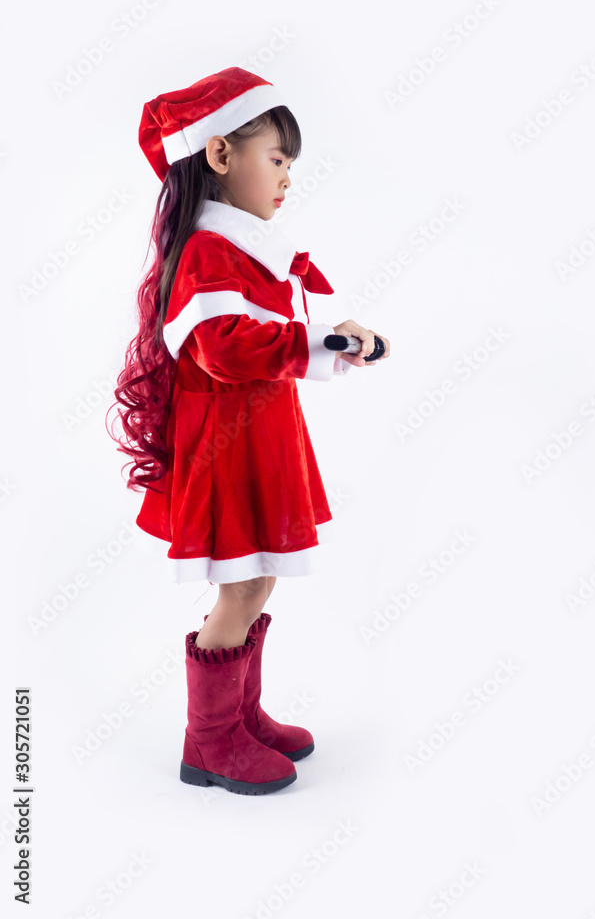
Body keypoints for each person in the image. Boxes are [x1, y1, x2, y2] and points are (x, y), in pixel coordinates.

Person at [106, 66, 390, 796]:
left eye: (291, 162)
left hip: (259, 435)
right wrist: (320, 340)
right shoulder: (207, 251)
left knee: (257, 578)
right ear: (221, 155)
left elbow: (273, 334)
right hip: (227, 446)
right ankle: (209, 741)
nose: (288, 175)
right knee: (241, 586)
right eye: (277, 157)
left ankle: (239, 716)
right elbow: (226, 348)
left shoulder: (246, 249)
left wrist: (335, 338)